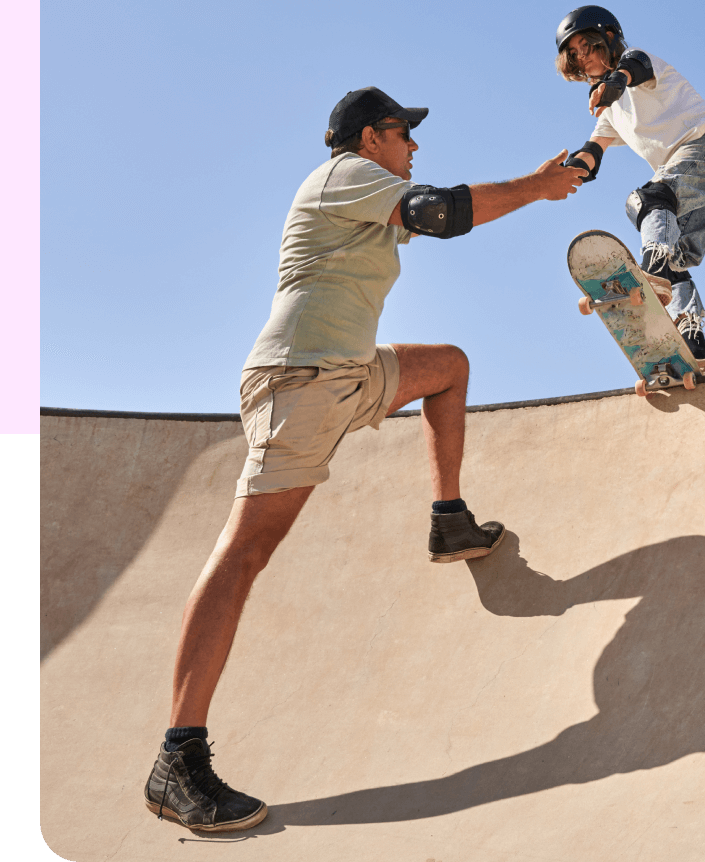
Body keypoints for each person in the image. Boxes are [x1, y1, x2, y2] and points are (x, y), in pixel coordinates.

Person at [143, 86, 588, 832]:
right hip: (299, 382)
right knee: (246, 551)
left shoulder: (367, 195)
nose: (415, 149)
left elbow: (440, 210)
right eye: (405, 136)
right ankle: (177, 761)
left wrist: (533, 190)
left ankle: (450, 520)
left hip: (347, 375)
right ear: (371, 136)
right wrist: (541, 188)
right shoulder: (343, 175)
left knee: (447, 365)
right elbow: (444, 213)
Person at [553, 5, 705, 373]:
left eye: (588, 47)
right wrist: (569, 171)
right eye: (574, 55)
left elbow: (633, 69)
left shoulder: (637, 62)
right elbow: (594, 151)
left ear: (608, 37)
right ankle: (694, 344)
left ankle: (650, 268)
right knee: (674, 259)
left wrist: (615, 83)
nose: (583, 59)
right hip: (703, 178)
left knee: (646, 200)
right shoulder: (608, 111)